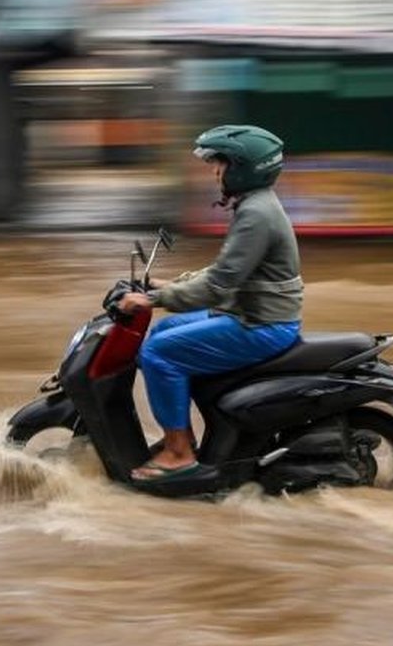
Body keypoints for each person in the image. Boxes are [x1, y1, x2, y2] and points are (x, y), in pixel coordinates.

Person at [116, 125, 303, 482]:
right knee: (166, 330)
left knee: (158, 352)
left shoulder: (256, 215)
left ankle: (180, 453)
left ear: (244, 168)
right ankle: (184, 434)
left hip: (262, 325)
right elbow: (226, 271)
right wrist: (171, 284)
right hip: (251, 312)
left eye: (221, 164)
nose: (215, 171)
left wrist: (153, 298)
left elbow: (219, 285)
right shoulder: (255, 206)